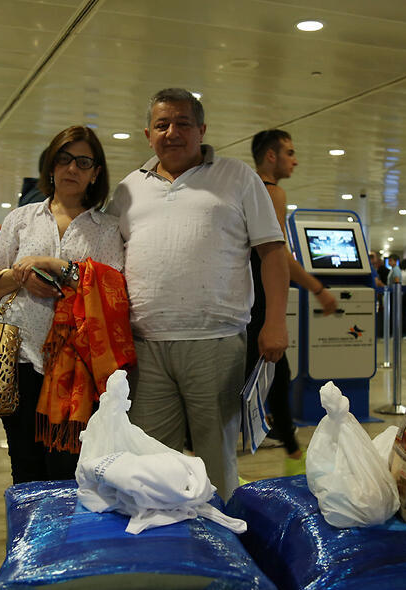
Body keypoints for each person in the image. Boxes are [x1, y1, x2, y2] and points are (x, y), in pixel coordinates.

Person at [110, 88, 289, 499]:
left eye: (183, 123)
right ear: (147, 133)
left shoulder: (237, 177)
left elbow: (272, 253)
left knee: (215, 460)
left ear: (202, 130)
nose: (172, 132)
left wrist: (275, 322)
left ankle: (221, 547)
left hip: (216, 343)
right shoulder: (127, 190)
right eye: (162, 124)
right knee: (152, 462)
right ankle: (167, 550)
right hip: (146, 346)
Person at [0, 125, 125, 484]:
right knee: (24, 468)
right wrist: (20, 276)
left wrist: (57, 267)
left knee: (68, 473)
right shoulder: (22, 219)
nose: (71, 169)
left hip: (79, 373)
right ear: (51, 165)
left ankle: (62, 541)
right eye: (63, 159)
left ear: (96, 173)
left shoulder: (106, 229)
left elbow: (113, 293)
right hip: (20, 363)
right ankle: (26, 540)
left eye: (83, 162)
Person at [250, 129, 337, 474]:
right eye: (289, 152)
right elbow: (278, 253)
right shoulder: (271, 191)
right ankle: (293, 459)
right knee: (276, 376)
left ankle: (290, 454)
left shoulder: (249, 189)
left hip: (243, 299)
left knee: (272, 376)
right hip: (259, 301)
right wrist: (317, 287)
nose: (295, 160)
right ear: (271, 156)